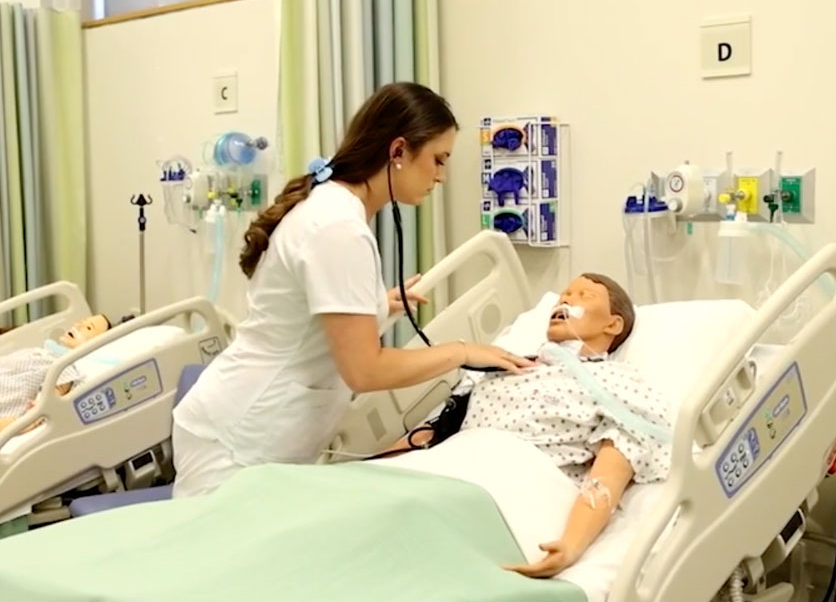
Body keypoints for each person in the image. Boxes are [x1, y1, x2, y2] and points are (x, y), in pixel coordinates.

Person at [171, 82, 533, 498]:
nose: (441, 176)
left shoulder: (334, 209)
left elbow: (309, 311)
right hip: (237, 440)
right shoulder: (338, 228)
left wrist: (376, 305)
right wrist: (463, 352)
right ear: (398, 151)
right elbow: (365, 370)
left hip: (254, 428)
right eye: (438, 159)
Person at [388, 273, 671, 578]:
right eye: (565, 293)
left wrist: (571, 545)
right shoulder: (506, 367)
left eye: (584, 295)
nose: (566, 299)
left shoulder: (619, 383)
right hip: (441, 469)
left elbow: (607, 478)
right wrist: (374, 468)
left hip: (503, 488)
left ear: (613, 325)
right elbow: (437, 432)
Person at [0, 314, 112, 431]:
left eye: (89, 328)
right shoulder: (45, 352)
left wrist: (29, 418)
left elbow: (43, 406)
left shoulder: (67, 365)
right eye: (82, 321)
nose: (78, 326)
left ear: (96, 344)